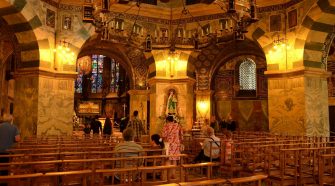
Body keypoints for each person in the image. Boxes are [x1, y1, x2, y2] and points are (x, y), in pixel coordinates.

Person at [162, 115, 183, 179]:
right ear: (173, 120)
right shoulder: (178, 126)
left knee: (168, 159)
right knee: (174, 159)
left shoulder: (166, 126)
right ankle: (173, 175)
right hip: (176, 144)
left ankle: (168, 175)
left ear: (167, 120)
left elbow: (163, 135)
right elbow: (181, 136)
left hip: (168, 144)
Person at [0, 113, 20, 179]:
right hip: (8, 152)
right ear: (11, 120)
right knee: (6, 167)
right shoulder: (14, 127)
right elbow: (17, 139)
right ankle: (4, 181)